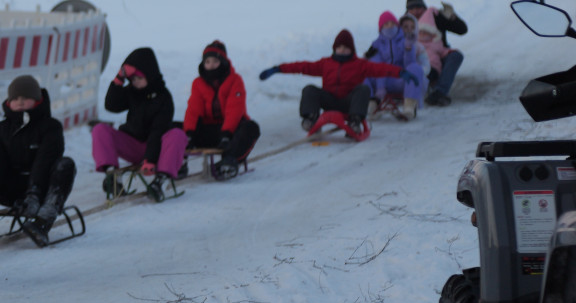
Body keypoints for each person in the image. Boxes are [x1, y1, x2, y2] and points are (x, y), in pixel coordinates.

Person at [258, 29, 418, 135]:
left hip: (349, 103)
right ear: (334, 48)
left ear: (352, 50)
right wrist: (278, 69)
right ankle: (310, 118)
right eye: (339, 47)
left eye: (346, 47)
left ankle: (355, 121)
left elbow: (380, 69)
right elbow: (302, 66)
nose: (342, 50)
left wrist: (400, 72)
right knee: (309, 89)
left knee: (363, 89)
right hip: (330, 101)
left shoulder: (359, 64)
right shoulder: (326, 63)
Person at [0, 75, 74, 246]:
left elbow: (45, 160)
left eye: (25, 98)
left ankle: (42, 221)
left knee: (65, 165)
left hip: (42, 189)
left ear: (37, 100)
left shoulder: (50, 126)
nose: (20, 102)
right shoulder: (2, 129)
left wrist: (34, 193)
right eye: (15, 98)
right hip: (12, 188)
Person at [92, 47, 186, 202]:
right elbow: (111, 105)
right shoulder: (132, 91)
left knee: (177, 134)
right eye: (132, 79)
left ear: (149, 74)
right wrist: (119, 79)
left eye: (139, 78)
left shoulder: (163, 97)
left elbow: (158, 130)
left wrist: (150, 158)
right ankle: (112, 176)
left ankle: (160, 181)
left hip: (158, 150)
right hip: (135, 146)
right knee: (100, 130)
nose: (135, 83)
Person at [183, 40, 261, 179]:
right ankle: (177, 164)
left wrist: (226, 134)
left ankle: (229, 161)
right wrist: (189, 133)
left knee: (251, 127)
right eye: (207, 62)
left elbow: (234, 109)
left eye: (214, 61)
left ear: (223, 62)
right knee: (174, 129)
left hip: (231, 132)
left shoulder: (235, 80)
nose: (210, 65)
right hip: (210, 130)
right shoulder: (198, 83)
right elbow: (193, 109)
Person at [404, 0, 467, 106]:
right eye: (412, 9)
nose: (416, 12)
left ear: (424, 8)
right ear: (408, 12)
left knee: (456, 56)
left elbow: (462, 30)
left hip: (439, 54)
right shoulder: (405, 24)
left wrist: (452, 17)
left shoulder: (436, 17)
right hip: (415, 59)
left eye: (419, 8)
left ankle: (439, 92)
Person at [361, 11, 425, 119]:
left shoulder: (405, 41)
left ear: (397, 25)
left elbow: (409, 65)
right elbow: (376, 66)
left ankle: (409, 105)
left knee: (415, 68)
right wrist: (380, 86)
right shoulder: (376, 45)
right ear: (381, 28)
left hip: (399, 79)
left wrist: (408, 51)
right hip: (380, 81)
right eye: (386, 24)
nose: (390, 27)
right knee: (361, 71)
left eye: (392, 23)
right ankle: (371, 103)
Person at [399, 13, 430, 97]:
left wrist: (417, 71)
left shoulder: (418, 47)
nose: (409, 29)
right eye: (405, 27)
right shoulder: (395, 45)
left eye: (412, 27)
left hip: (414, 77)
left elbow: (426, 66)